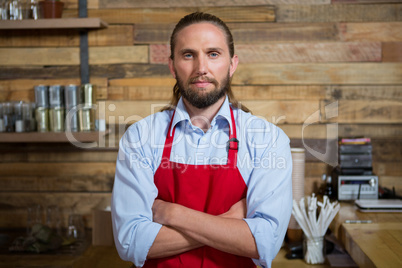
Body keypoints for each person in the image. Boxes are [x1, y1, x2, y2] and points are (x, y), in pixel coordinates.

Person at [111, 12, 293, 268]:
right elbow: (130, 242)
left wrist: (171, 213)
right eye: (188, 55)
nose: (201, 68)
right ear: (172, 65)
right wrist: (229, 223)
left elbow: (264, 243)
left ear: (232, 64)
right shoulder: (141, 137)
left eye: (213, 54)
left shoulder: (268, 139)